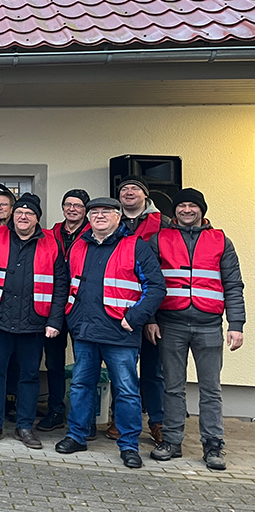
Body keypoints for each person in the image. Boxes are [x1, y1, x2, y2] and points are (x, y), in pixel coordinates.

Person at [55, 197, 166, 469]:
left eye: (106, 212)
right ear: (88, 218)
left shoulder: (135, 246)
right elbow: (66, 283)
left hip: (120, 332)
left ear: (118, 217)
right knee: (81, 386)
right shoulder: (79, 246)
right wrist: (70, 317)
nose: (100, 216)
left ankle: (129, 445)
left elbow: (156, 287)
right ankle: (77, 435)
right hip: (85, 330)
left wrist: (135, 317)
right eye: (95, 212)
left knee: (127, 391)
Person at [147, 188, 245, 470]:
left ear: (202, 210)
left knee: (211, 389)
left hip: (209, 325)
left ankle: (213, 446)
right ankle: (172, 441)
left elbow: (233, 285)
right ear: (174, 210)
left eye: (193, 206)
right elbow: (151, 285)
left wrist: (236, 324)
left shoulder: (221, 241)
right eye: (182, 206)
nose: (187, 210)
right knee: (173, 387)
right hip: (171, 324)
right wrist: (151, 319)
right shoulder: (160, 239)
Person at [0, 193, 67, 449]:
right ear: (12, 216)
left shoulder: (52, 242)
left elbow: (61, 285)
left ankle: (24, 427)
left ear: (37, 218)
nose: (23, 217)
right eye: (19, 213)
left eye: (29, 213)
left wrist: (54, 320)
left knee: (29, 376)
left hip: (35, 321)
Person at [114, 175, 169, 443]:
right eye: (124, 189)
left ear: (146, 195)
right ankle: (120, 418)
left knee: (152, 370)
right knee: (121, 368)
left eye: (134, 188)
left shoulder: (163, 224)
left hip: (151, 310)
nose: (129, 192)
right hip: (120, 309)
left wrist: (151, 316)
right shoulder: (112, 223)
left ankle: (157, 422)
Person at [38, 188, 90, 432]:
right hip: (55, 306)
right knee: (55, 363)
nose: (72, 209)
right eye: (68, 204)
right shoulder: (49, 234)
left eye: (78, 205)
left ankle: (85, 418)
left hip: (83, 307)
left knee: (85, 363)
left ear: (85, 210)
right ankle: (55, 410)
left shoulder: (94, 233)